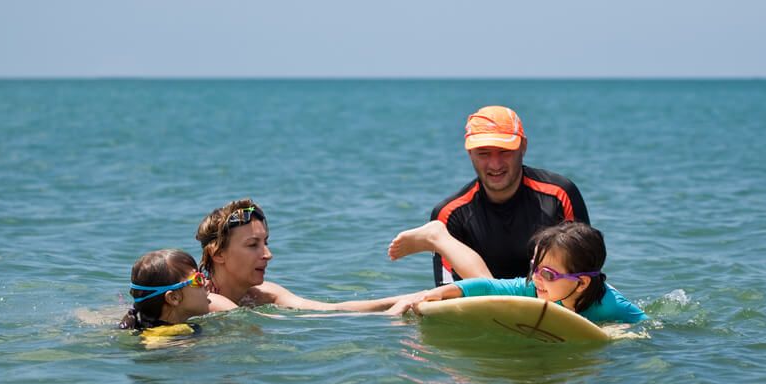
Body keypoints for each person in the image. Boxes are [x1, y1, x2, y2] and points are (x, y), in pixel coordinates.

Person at [429, 105, 590, 285]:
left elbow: (585, 275)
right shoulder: (449, 214)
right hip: (479, 305)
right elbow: (446, 293)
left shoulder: (560, 195)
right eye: (483, 154)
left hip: (549, 298)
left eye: (505, 152)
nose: (495, 164)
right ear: (470, 154)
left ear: (523, 147)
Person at [387, 220, 648, 325]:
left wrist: (617, 335)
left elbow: (648, 328)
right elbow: (486, 287)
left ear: (580, 283)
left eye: (547, 274)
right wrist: (439, 293)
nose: (536, 278)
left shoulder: (611, 306)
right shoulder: (533, 288)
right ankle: (345, 309)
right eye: (534, 267)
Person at [196, 198, 406, 311]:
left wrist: (408, 298)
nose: (267, 254)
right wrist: (393, 315)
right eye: (253, 245)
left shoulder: (261, 294)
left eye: (265, 242)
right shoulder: (204, 300)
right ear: (218, 254)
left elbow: (333, 310)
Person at [119, 249, 237, 335]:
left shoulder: (145, 326)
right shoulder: (176, 334)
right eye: (198, 279)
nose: (207, 282)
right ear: (173, 298)